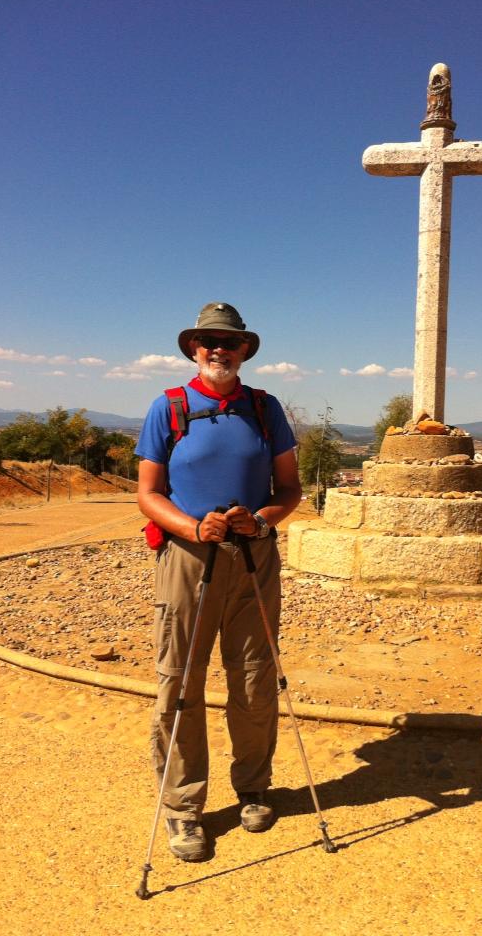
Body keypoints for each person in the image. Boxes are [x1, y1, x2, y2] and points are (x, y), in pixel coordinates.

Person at [135, 302, 301, 862]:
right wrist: (191, 525)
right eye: (208, 341)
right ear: (193, 349)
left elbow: (289, 491)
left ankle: (253, 788)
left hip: (253, 557)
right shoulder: (170, 407)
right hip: (187, 559)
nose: (218, 349)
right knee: (180, 683)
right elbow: (148, 494)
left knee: (254, 679)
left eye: (229, 342)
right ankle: (184, 809)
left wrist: (260, 520)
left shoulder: (264, 408)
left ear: (245, 350)